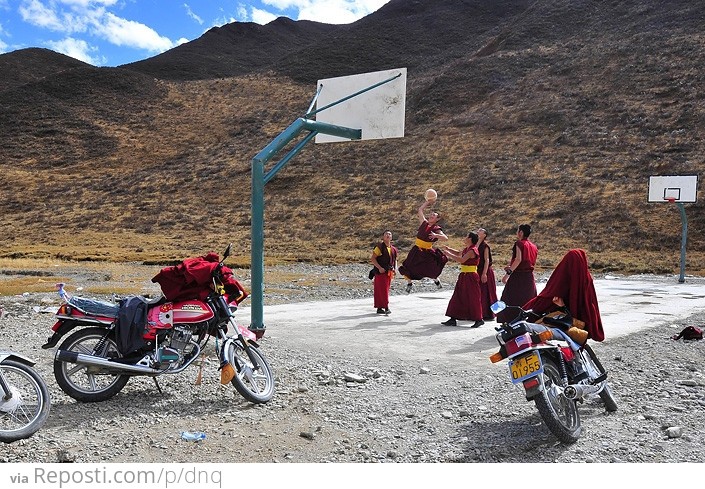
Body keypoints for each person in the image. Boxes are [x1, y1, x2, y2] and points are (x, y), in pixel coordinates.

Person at [522, 248, 604, 343]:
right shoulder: (586, 277)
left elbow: (549, 293)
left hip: (564, 316)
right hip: (581, 318)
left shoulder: (563, 274)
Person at [398, 200, 449, 293]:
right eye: (431, 214)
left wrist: (436, 235)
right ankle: (409, 283)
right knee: (407, 266)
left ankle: (436, 280)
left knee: (430, 269)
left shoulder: (436, 229)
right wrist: (427, 202)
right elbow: (420, 210)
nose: (431, 216)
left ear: (437, 219)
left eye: (434, 215)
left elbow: (445, 238)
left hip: (427, 252)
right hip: (416, 249)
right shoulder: (424, 223)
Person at [440, 232, 484, 328]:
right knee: (458, 296)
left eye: (466, 236)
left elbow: (462, 260)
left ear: (470, 239)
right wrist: (449, 249)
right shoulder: (467, 249)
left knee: (473, 297)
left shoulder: (473, 250)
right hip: (463, 275)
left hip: (471, 276)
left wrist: (448, 254)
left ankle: (479, 319)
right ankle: (453, 318)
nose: (464, 238)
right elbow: (459, 253)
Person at [496, 224, 538, 323]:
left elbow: (518, 260)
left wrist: (507, 274)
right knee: (528, 299)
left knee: (509, 299)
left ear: (521, 232)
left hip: (518, 277)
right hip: (529, 277)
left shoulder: (519, 243)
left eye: (517, 231)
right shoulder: (534, 246)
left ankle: (509, 322)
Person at [370, 230, 398, 315]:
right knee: (381, 290)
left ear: (391, 237)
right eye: (386, 234)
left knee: (385, 289)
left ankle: (379, 308)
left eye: (390, 234)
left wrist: (395, 269)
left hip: (389, 272)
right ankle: (386, 307)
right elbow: (373, 258)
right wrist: (379, 268)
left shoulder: (394, 249)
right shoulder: (379, 247)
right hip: (380, 272)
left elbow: (395, 260)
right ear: (383, 237)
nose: (388, 235)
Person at [476, 228, 498, 321]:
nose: (478, 231)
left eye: (481, 230)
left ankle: (489, 313)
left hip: (485, 271)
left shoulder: (485, 246)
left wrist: (484, 273)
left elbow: (487, 260)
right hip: (477, 270)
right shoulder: (476, 244)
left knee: (487, 292)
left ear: (484, 234)